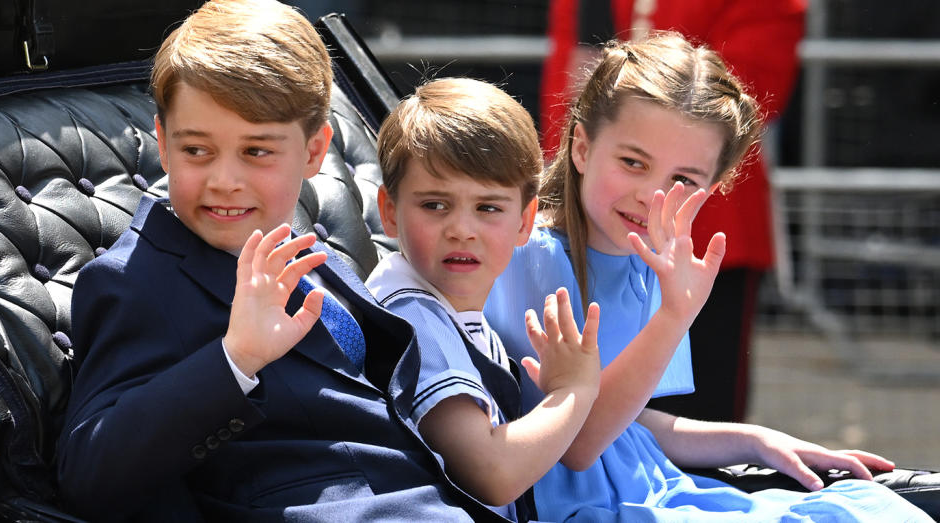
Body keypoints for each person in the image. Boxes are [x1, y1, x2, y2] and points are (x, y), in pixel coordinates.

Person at [56, 1, 507, 521]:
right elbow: (88, 470)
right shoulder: (134, 281)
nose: (224, 179)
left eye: (256, 152)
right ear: (162, 140)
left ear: (315, 151)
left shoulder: (306, 250)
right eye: (197, 151)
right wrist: (236, 358)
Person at [484, 32, 931, 521]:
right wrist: (674, 316)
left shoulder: (652, 265)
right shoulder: (531, 257)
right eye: (633, 163)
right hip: (578, 506)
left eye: (682, 181)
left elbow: (630, 426)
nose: (651, 196)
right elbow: (579, 443)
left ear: (711, 190)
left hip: (654, 486)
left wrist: (754, 439)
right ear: (582, 148)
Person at [541, 0, 806, 422]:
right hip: (594, 208)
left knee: (700, 405)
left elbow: (749, 88)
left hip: (704, 229)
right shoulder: (530, 253)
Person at [364, 77, 603, 521]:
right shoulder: (413, 317)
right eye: (435, 205)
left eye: (488, 208)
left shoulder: (453, 307)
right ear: (390, 210)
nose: (461, 229)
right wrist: (576, 390)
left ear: (524, 221)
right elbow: (492, 474)